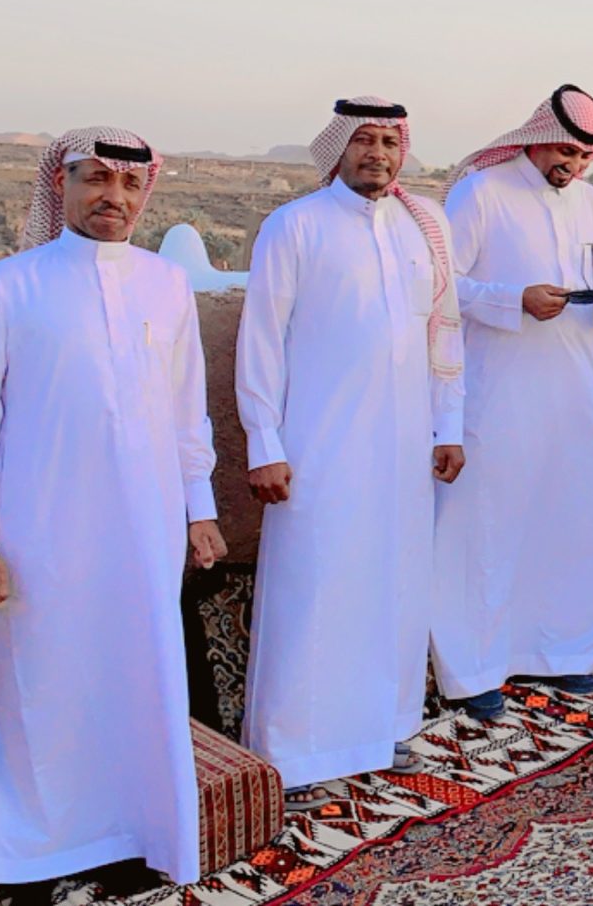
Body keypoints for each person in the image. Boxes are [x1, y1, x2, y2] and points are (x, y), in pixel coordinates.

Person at [0, 129, 224, 901]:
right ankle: (35, 856)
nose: (113, 197)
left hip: (145, 530)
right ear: (59, 185)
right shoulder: (7, 288)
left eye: (128, 184)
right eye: (96, 179)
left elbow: (187, 410)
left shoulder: (167, 284)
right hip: (37, 533)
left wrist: (199, 510)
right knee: (41, 690)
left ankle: (128, 836)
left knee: (136, 684)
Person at [237, 98, 465, 805]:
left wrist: (449, 426)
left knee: (396, 584)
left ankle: (383, 728)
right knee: (315, 587)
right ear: (337, 148)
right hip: (319, 447)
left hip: (404, 449)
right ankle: (294, 751)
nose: (378, 154)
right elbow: (262, 340)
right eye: (363, 140)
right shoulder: (295, 225)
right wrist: (264, 442)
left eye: (390, 142)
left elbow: (446, 332)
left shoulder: (425, 227)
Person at [432, 85, 593, 720]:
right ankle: (476, 669)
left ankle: (564, 652)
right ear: (535, 138)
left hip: (573, 392)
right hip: (497, 392)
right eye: (562, 150)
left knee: (572, 518)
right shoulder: (482, 193)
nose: (571, 164)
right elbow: (442, 285)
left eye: (582, 155)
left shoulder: (591, 202)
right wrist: (512, 298)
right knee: (488, 526)